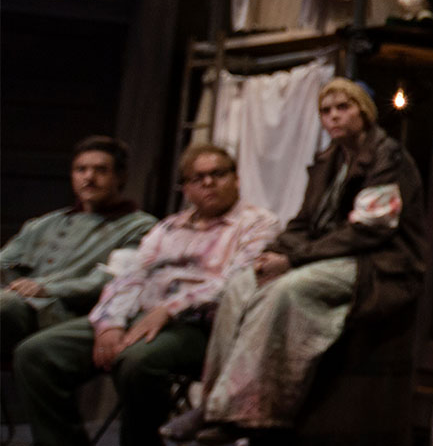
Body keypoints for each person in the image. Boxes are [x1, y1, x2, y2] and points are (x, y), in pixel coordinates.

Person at [165, 78, 427, 441]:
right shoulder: (327, 161)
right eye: (326, 110)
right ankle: (212, 408)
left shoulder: (388, 157)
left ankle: (245, 410)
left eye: (343, 108)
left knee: (285, 291)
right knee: (241, 286)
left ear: (363, 113)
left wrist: (294, 261)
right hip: (328, 255)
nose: (334, 117)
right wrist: (276, 252)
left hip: (379, 263)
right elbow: (304, 222)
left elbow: (371, 230)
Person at [14, 145, 281, 446]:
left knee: (136, 361)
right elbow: (131, 275)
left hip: (200, 324)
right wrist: (110, 323)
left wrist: (170, 309)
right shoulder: (168, 227)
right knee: (36, 354)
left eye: (217, 174)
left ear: (236, 178)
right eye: (198, 178)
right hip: (137, 315)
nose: (208, 183)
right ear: (185, 188)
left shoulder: (258, 222)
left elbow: (236, 280)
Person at [2, 136, 157, 352]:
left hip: (63, 313)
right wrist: (14, 283)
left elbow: (113, 278)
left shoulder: (140, 227)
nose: (89, 177)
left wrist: (46, 288)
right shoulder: (44, 224)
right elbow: (4, 262)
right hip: (17, 302)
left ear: (120, 177)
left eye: (100, 170)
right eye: (81, 170)